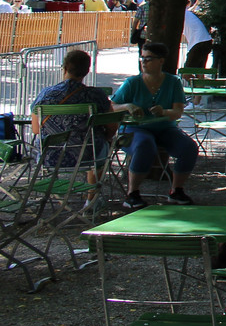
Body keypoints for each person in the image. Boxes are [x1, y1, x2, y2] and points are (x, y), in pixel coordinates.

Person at [111, 41, 200, 209]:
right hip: (135, 129)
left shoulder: (173, 82)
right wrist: (127, 106)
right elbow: (111, 106)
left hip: (164, 128)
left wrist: (164, 112)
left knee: (188, 147)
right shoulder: (132, 83)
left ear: (161, 61)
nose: (144, 62)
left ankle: (176, 190)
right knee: (145, 145)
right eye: (142, 58)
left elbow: (177, 112)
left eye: (149, 58)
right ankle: (132, 193)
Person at [31, 48, 114, 181]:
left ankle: (56, 194)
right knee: (99, 144)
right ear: (87, 71)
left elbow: (35, 129)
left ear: (64, 68)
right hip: (87, 155)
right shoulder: (96, 95)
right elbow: (112, 126)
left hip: (50, 156)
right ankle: (91, 197)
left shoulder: (45, 95)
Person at [181, 0, 213, 70]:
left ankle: (193, 80)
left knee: (186, 72)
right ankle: (200, 81)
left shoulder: (181, 14)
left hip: (198, 43)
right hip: (206, 41)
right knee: (200, 71)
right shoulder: (187, 13)